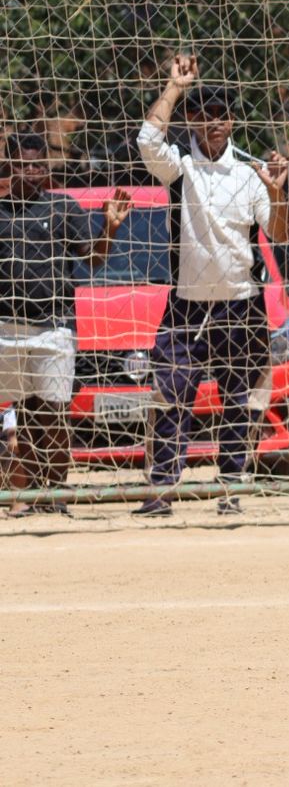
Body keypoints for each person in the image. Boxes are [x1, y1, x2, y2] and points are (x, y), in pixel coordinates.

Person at [134, 55, 289, 516]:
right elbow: (147, 138)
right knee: (169, 397)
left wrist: (278, 190)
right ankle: (161, 490)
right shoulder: (181, 169)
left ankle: (231, 489)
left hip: (241, 306)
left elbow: (278, 233)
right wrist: (174, 86)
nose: (214, 122)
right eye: (204, 113)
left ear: (233, 120)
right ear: (192, 120)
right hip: (185, 306)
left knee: (239, 402)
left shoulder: (251, 174)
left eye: (222, 114)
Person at [0, 133, 129, 517]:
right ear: (7, 166)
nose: (32, 171)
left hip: (54, 327)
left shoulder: (62, 207)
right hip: (6, 328)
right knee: (16, 420)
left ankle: (54, 494)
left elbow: (93, 260)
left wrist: (110, 227)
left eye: (38, 164)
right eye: (24, 164)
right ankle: (20, 496)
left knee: (53, 416)